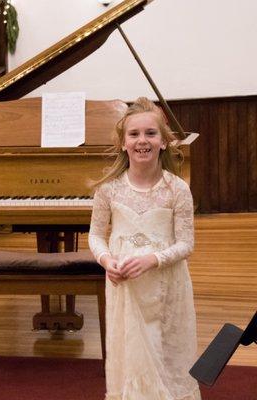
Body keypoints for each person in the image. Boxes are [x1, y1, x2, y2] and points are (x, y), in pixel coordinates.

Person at [88, 97, 201, 400]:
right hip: (125, 288)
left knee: (166, 353)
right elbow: (95, 236)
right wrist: (106, 259)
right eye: (134, 134)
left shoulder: (177, 189)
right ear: (123, 143)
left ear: (164, 141)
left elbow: (186, 244)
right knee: (131, 354)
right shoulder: (108, 189)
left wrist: (153, 259)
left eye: (151, 133)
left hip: (167, 285)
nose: (142, 141)